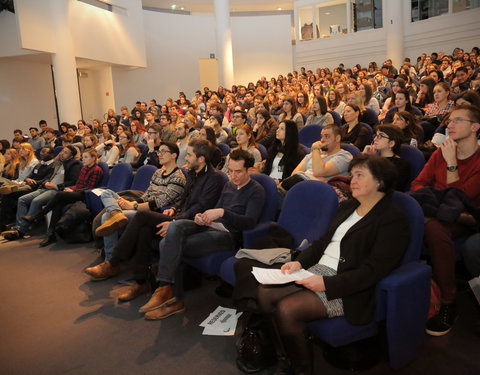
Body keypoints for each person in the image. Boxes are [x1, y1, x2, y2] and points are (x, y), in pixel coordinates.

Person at [256, 154, 409, 374]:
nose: (352, 180)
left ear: (380, 182)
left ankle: (301, 369)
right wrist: (299, 263)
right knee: (264, 292)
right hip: (317, 271)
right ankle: (284, 355)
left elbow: (373, 270)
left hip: (348, 287)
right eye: (352, 174)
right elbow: (321, 243)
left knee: (288, 309)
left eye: (359, 175)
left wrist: (329, 284)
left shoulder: (392, 218)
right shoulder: (349, 206)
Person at [84, 139, 225, 302]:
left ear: (201, 159)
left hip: (196, 222)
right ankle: (140, 282)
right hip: (179, 215)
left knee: (142, 217)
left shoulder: (215, 178)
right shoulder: (193, 173)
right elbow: (184, 199)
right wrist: (175, 208)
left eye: (190, 155)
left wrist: (174, 220)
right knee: (144, 227)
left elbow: (201, 207)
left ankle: (113, 262)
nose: (186, 158)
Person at [139, 148, 265, 320]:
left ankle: (172, 296)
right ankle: (166, 289)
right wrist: (203, 217)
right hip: (211, 226)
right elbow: (215, 209)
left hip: (228, 235)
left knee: (166, 244)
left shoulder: (256, 190)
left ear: (249, 170)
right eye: (230, 171)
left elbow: (249, 222)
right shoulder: (228, 185)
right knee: (174, 229)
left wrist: (222, 213)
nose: (233, 176)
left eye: (238, 172)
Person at [410, 104, 480, 336]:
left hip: (466, 218)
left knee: (435, 227)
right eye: (450, 120)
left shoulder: (473, 160)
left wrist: (451, 163)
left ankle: (449, 302)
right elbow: (418, 184)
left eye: (458, 120)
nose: (450, 124)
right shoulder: (441, 152)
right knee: (405, 214)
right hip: (436, 211)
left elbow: (459, 200)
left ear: (475, 127)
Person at [93, 142, 186, 262]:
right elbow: (147, 194)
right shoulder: (158, 172)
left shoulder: (178, 177)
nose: (159, 154)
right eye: (159, 151)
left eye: (164, 151)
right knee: (107, 193)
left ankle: (110, 260)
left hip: (152, 212)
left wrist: (133, 205)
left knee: (106, 216)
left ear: (173, 155)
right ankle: (116, 213)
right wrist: (130, 203)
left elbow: (159, 203)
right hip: (141, 206)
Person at [22, 148, 104, 247]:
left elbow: (90, 188)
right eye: (82, 157)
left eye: (86, 157)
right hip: (77, 192)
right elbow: (78, 184)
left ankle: (37, 216)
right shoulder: (84, 168)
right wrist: (71, 189)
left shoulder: (96, 170)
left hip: (86, 195)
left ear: (94, 158)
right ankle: (50, 234)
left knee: (59, 194)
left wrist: (73, 190)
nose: (83, 159)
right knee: (58, 203)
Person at [2, 146, 81, 240]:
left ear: (71, 156)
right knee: (22, 199)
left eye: (65, 152)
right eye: (62, 151)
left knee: (36, 201)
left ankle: (21, 230)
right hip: (44, 187)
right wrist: (45, 183)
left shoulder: (73, 164)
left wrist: (56, 186)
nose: (62, 153)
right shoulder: (57, 163)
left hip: (55, 190)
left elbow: (73, 181)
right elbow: (48, 177)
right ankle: (20, 226)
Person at [280, 124, 352, 191]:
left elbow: (318, 171)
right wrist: (315, 177)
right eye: (321, 136)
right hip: (298, 184)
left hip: (316, 191)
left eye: (326, 136)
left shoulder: (344, 156)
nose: (322, 140)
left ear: (337, 138)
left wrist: (315, 149)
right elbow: (295, 173)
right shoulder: (316, 153)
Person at [363, 125, 411, 191]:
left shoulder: (400, 165)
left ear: (391, 143)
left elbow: (387, 189)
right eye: (376, 136)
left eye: (380, 136)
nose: (375, 139)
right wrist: (365, 157)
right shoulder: (374, 158)